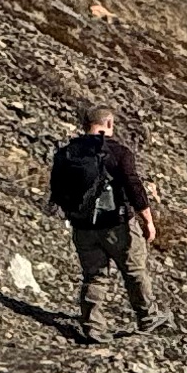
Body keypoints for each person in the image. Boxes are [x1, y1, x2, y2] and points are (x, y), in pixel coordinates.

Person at [47, 102, 162, 341]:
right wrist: (148, 220)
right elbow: (133, 186)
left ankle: (93, 326)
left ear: (85, 125)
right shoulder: (118, 152)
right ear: (108, 123)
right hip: (117, 224)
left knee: (94, 276)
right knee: (134, 270)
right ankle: (148, 318)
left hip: (82, 226)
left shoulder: (68, 152)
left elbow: (57, 190)